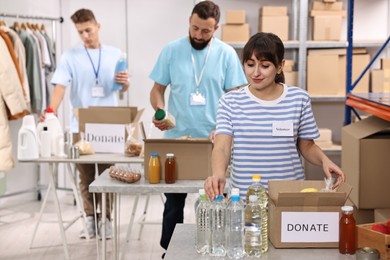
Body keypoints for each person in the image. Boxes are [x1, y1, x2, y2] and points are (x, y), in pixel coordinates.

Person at [149, 1, 247, 254]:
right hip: (178, 140)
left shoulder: (226, 54)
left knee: (217, 199)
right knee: (174, 203)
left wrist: (229, 129)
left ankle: (219, 248)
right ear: (189, 23)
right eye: (195, 29)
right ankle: (168, 251)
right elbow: (157, 90)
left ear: (216, 28)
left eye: (206, 31)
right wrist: (160, 111)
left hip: (215, 143)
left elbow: (237, 96)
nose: (199, 35)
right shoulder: (171, 50)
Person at [204, 32, 345, 200]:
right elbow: (222, 147)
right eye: (250, 64)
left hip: (289, 196)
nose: (255, 72)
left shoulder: (298, 99)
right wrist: (218, 174)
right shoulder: (230, 102)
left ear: (280, 66)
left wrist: (324, 160)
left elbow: (306, 145)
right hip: (245, 199)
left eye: (265, 66)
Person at [40, 8, 130, 239]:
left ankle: (107, 220)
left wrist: (125, 83)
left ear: (98, 26)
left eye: (88, 30)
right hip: (80, 127)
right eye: (80, 32)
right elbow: (59, 86)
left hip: (111, 126)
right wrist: (50, 111)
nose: (85, 36)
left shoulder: (115, 54)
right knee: (86, 177)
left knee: (110, 175)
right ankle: (89, 218)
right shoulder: (70, 57)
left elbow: (121, 89)